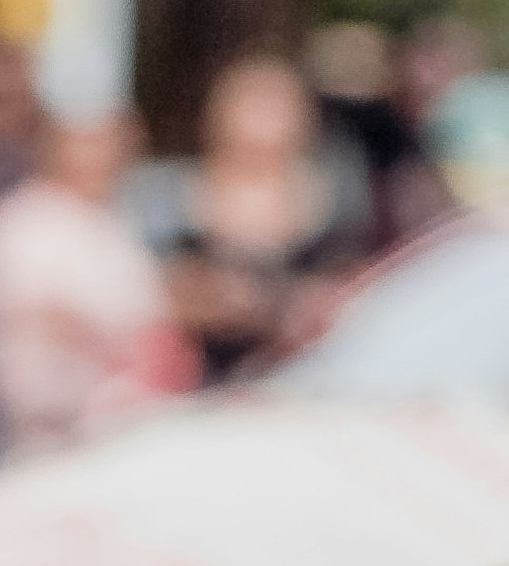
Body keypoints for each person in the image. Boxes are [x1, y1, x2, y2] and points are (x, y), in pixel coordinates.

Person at [0, 98, 176, 455]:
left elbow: (155, 321)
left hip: (126, 434)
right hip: (44, 440)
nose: (105, 155)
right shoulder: (20, 222)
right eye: (90, 142)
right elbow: (49, 320)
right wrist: (120, 349)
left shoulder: (118, 224)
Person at [141, 49, 364, 387]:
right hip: (192, 382)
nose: (264, 120)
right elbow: (140, 289)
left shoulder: (336, 198)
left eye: (276, 105)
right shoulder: (169, 195)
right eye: (253, 103)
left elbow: (349, 284)